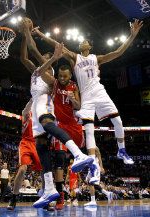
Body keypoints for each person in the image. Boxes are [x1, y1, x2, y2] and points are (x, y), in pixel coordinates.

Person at [32, 19, 143, 176]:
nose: (82, 42)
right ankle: (93, 167)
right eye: (81, 42)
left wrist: (132, 35)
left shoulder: (96, 58)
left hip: (99, 91)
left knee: (118, 121)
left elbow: (118, 52)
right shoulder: (75, 58)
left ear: (89, 47)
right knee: (89, 131)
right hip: (86, 96)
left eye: (85, 41)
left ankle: (122, 150)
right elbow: (57, 44)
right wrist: (39, 34)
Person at [20, 18, 94, 208]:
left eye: (47, 58)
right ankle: (50, 188)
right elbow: (25, 57)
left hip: (46, 104)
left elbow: (35, 51)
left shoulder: (49, 77)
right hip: (36, 106)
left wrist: (29, 32)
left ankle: (78, 155)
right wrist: (24, 34)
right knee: (41, 145)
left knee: (47, 126)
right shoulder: (36, 72)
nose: (43, 58)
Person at [48, 64, 85, 210]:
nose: (62, 78)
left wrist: (73, 99)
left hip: (74, 126)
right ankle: (60, 194)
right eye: (60, 75)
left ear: (70, 76)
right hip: (60, 125)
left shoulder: (74, 86)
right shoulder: (55, 82)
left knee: (83, 154)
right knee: (59, 158)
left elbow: (78, 106)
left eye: (65, 76)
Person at [7, 99, 42, 210]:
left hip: (37, 144)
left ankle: (46, 198)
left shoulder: (41, 116)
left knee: (44, 171)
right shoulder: (27, 114)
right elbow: (25, 110)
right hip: (26, 143)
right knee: (22, 169)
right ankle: (13, 198)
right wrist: (33, 99)